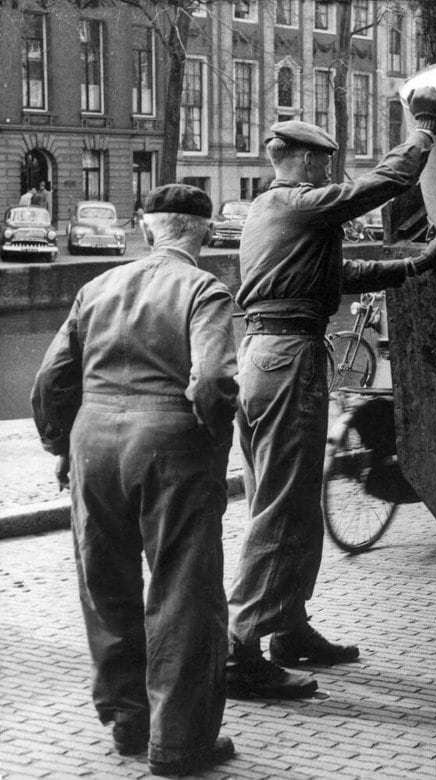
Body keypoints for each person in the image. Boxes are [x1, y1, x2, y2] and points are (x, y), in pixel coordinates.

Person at [226, 87, 436, 700]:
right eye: (326, 164)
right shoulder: (299, 204)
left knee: (290, 500)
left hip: (266, 356)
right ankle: (239, 647)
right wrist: (424, 130)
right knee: (283, 506)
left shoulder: (270, 214)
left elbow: (342, 275)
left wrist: (417, 263)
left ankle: (286, 627)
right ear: (307, 162)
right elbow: (379, 186)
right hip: (287, 357)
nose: (331, 174)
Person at [30, 184, 238, 775]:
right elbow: (214, 382)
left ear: (146, 231)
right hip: (171, 445)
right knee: (183, 592)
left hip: (94, 443)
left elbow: (50, 383)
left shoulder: (96, 287)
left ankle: (127, 722)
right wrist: (212, 443)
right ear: (199, 235)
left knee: (106, 587)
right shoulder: (204, 288)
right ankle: (178, 747)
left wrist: (61, 444)